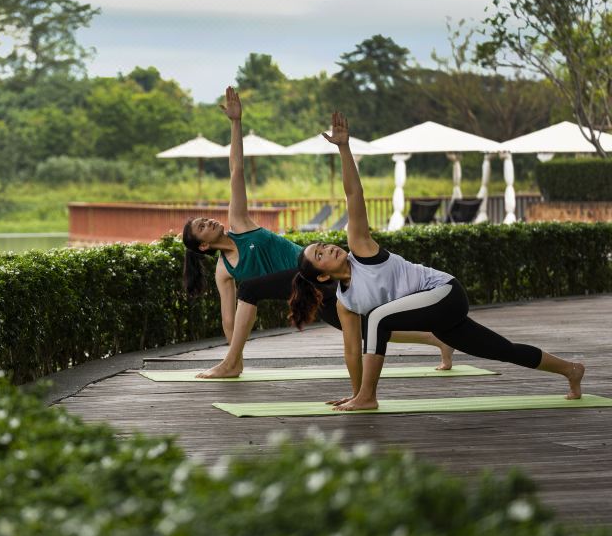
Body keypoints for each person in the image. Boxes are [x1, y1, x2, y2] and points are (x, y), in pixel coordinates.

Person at [289, 111, 585, 411]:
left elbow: (354, 194)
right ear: (323, 277)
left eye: (324, 245)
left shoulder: (361, 250)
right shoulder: (345, 303)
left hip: (444, 293)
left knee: (377, 318)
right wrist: (354, 394)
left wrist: (344, 148)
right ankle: (571, 369)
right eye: (320, 254)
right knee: (501, 349)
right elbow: (352, 351)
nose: (328, 249)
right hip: (437, 318)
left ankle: (369, 397)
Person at [182, 87, 453, 378]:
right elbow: (229, 320)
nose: (208, 222)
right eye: (201, 227)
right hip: (304, 288)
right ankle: (437, 339)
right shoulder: (224, 270)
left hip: (314, 270)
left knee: (255, 291)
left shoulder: (240, 223)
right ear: (203, 247)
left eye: (205, 219)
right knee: (360, 326)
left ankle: (230, 365)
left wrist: (236, 124)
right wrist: (234, 350)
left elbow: (236, 170)